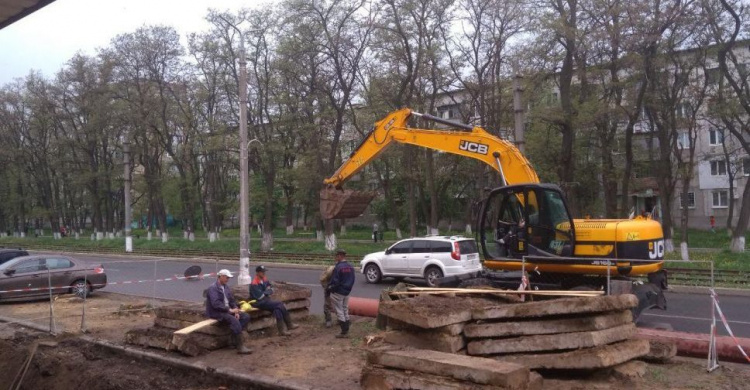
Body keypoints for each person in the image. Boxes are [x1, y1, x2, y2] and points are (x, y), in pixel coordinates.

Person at [205, 269, 252, 354]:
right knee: (234, 321)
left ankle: (233, 339)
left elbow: (231, 300)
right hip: (216, 312)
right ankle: (240, 346)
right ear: (221, 276)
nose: (228, 279)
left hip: (226, 310)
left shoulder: (226, 287)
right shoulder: (213, 288)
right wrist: (229, 310)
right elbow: (216, 304)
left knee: (245, 316)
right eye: (227, 277)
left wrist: (236, 310)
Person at [250, 265, 299, 336]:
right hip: (259, 302)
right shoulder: (254, 283)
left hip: (265, 300)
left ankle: (282, 331)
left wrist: (267, 291)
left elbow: (271, 287)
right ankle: (289, 324)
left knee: (277, 309)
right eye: (262, 272)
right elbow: (260, 296)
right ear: (257, 273)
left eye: (264, 271)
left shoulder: (264, 279)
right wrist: (268, 291)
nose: (264, 273)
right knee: (279, 303)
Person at [327, 248, 355, 338]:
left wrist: (330, 288)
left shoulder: (338, 267)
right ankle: (347, 327)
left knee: (339, 310)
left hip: (338, 292)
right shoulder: (350, 266)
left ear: (340, 256)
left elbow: (335, 281)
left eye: (336, 256)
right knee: (345, 308)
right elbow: (353, 279)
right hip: (347, 291)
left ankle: (344, 332)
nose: (336, 257)